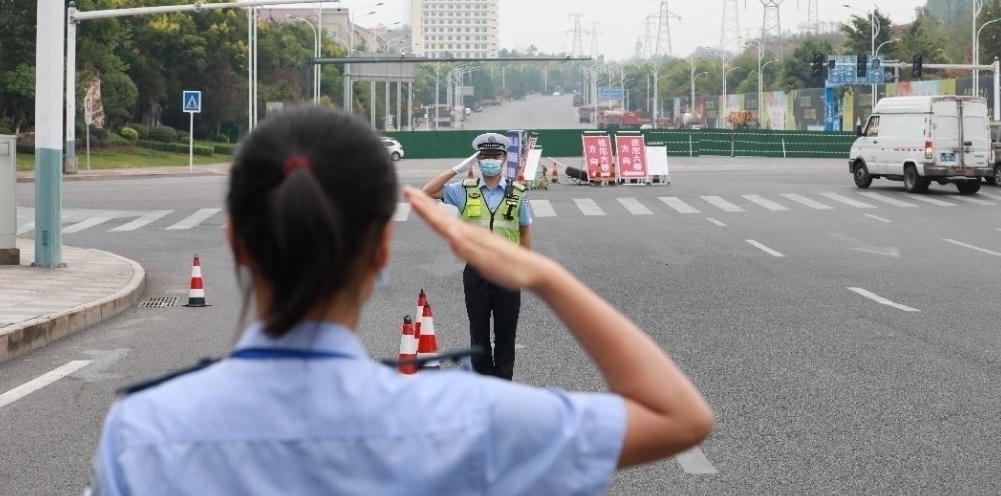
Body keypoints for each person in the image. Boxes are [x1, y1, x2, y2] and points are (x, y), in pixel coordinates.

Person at [86, 107, 713, 496]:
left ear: (236, 246)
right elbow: (678, 418)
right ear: (381, 248)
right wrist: (547, 276)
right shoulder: (466, 416)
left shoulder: (141, 434)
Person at [422, 133, 531, 380]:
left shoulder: (517, 192)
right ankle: (482, 388)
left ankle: (502, 389)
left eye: (495, 156)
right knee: (479, 336)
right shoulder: (463, 190)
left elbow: (524, 230)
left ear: (504, 159)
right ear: (477, 160)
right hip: (476, 274)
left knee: (506, 336)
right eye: (485, 157)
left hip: (507, 274)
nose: (490, 161)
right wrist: (456, 169)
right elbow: (428, 191)